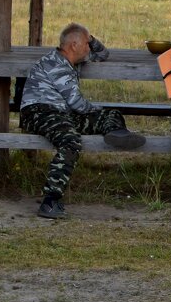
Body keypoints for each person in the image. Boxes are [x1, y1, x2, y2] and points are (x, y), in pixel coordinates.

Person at [18, 23, 147, 219]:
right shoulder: (55, 65)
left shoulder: (73, 59)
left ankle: (117, 132)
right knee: (70, 140)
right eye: (86, 44)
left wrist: (92, 39)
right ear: (74, 45)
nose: (89, 48)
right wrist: (96, 110)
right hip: (39, 111)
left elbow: (103, 55)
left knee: (111, 113)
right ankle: (50, 200)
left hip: (62, 112)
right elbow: (77, 104)